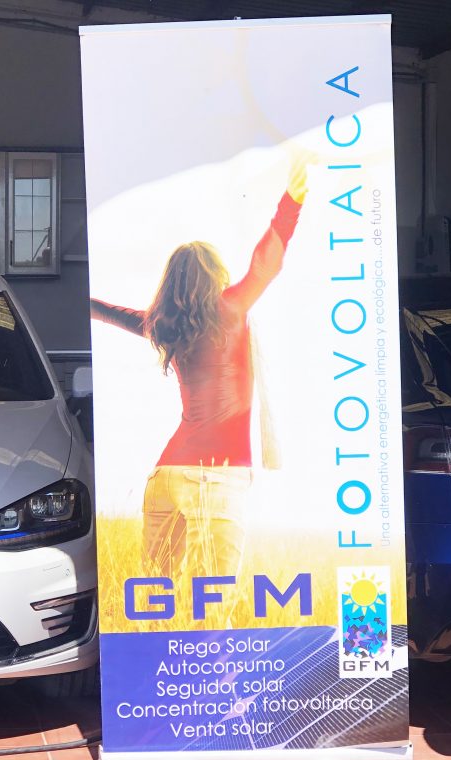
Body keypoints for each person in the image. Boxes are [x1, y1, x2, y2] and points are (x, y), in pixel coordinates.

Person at [91, 158, 309, 582]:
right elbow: (268, 260)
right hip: (220, 477)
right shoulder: (231, 308)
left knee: (159, 596)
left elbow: (106, 311)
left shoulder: (161, 324)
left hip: (167, 475)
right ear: (217, 276)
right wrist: (293, 198)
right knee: (216, 605)